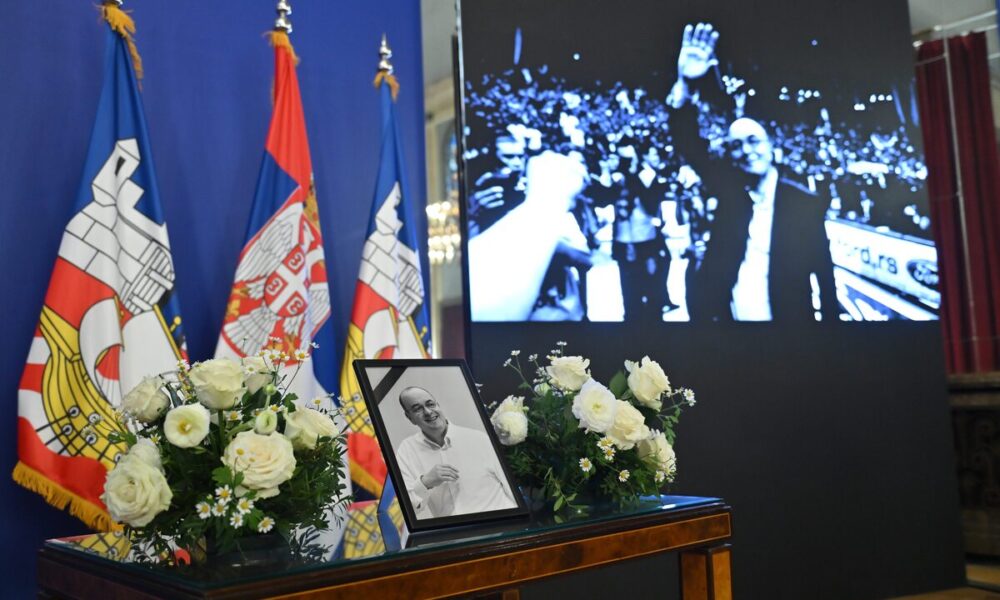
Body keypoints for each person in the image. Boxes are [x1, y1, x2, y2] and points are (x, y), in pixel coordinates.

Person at [668, 23, 839, 322]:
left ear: (771, 145)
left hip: (789, 332)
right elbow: (688, 142)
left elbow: (825, 277)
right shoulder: (728, 190)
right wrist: (684, 81)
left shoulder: (804, 202)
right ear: (730, 156)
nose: (747, 150)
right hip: (729, 331)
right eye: (736, 145)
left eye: (753, 141)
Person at [394, 386, 517, 519]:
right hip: (456, 535)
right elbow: (408, 509)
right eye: (417, 409)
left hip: (500, 524)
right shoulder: (406, 450)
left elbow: (511, 486)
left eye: (430, 404)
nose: (428, 412)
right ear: (409, 417)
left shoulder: (479, 439)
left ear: (438, 405)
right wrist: (426, 482)